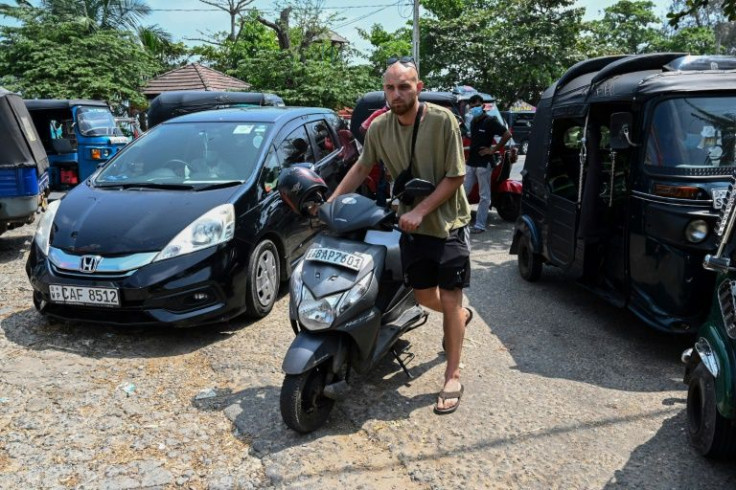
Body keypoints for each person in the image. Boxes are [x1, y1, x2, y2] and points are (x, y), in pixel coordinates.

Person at [326, 56, 473, 415]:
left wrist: (422, 210)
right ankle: (459, 317)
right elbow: (362, 166)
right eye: (390, 87)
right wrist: (332, 204)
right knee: (425, 298)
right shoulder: (378, 128)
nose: (396, 93)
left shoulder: (442, 120)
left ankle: (452, 374)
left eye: (404, 86)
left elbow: (455, 176)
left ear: (418, 87)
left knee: (450, 298)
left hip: (447, 224)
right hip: (410, 225)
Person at [464, 94, 512, 233]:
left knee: (484, 195)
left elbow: (507, 134)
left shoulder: (490, 121)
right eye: (472, 107)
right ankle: (459, 222)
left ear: (483, 106)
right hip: (471, 162)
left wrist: (493, 149)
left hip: (484, 164)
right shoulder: (473, 121)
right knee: (463, 192)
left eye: (477, 106)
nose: (475, 109)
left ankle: (480, 225)